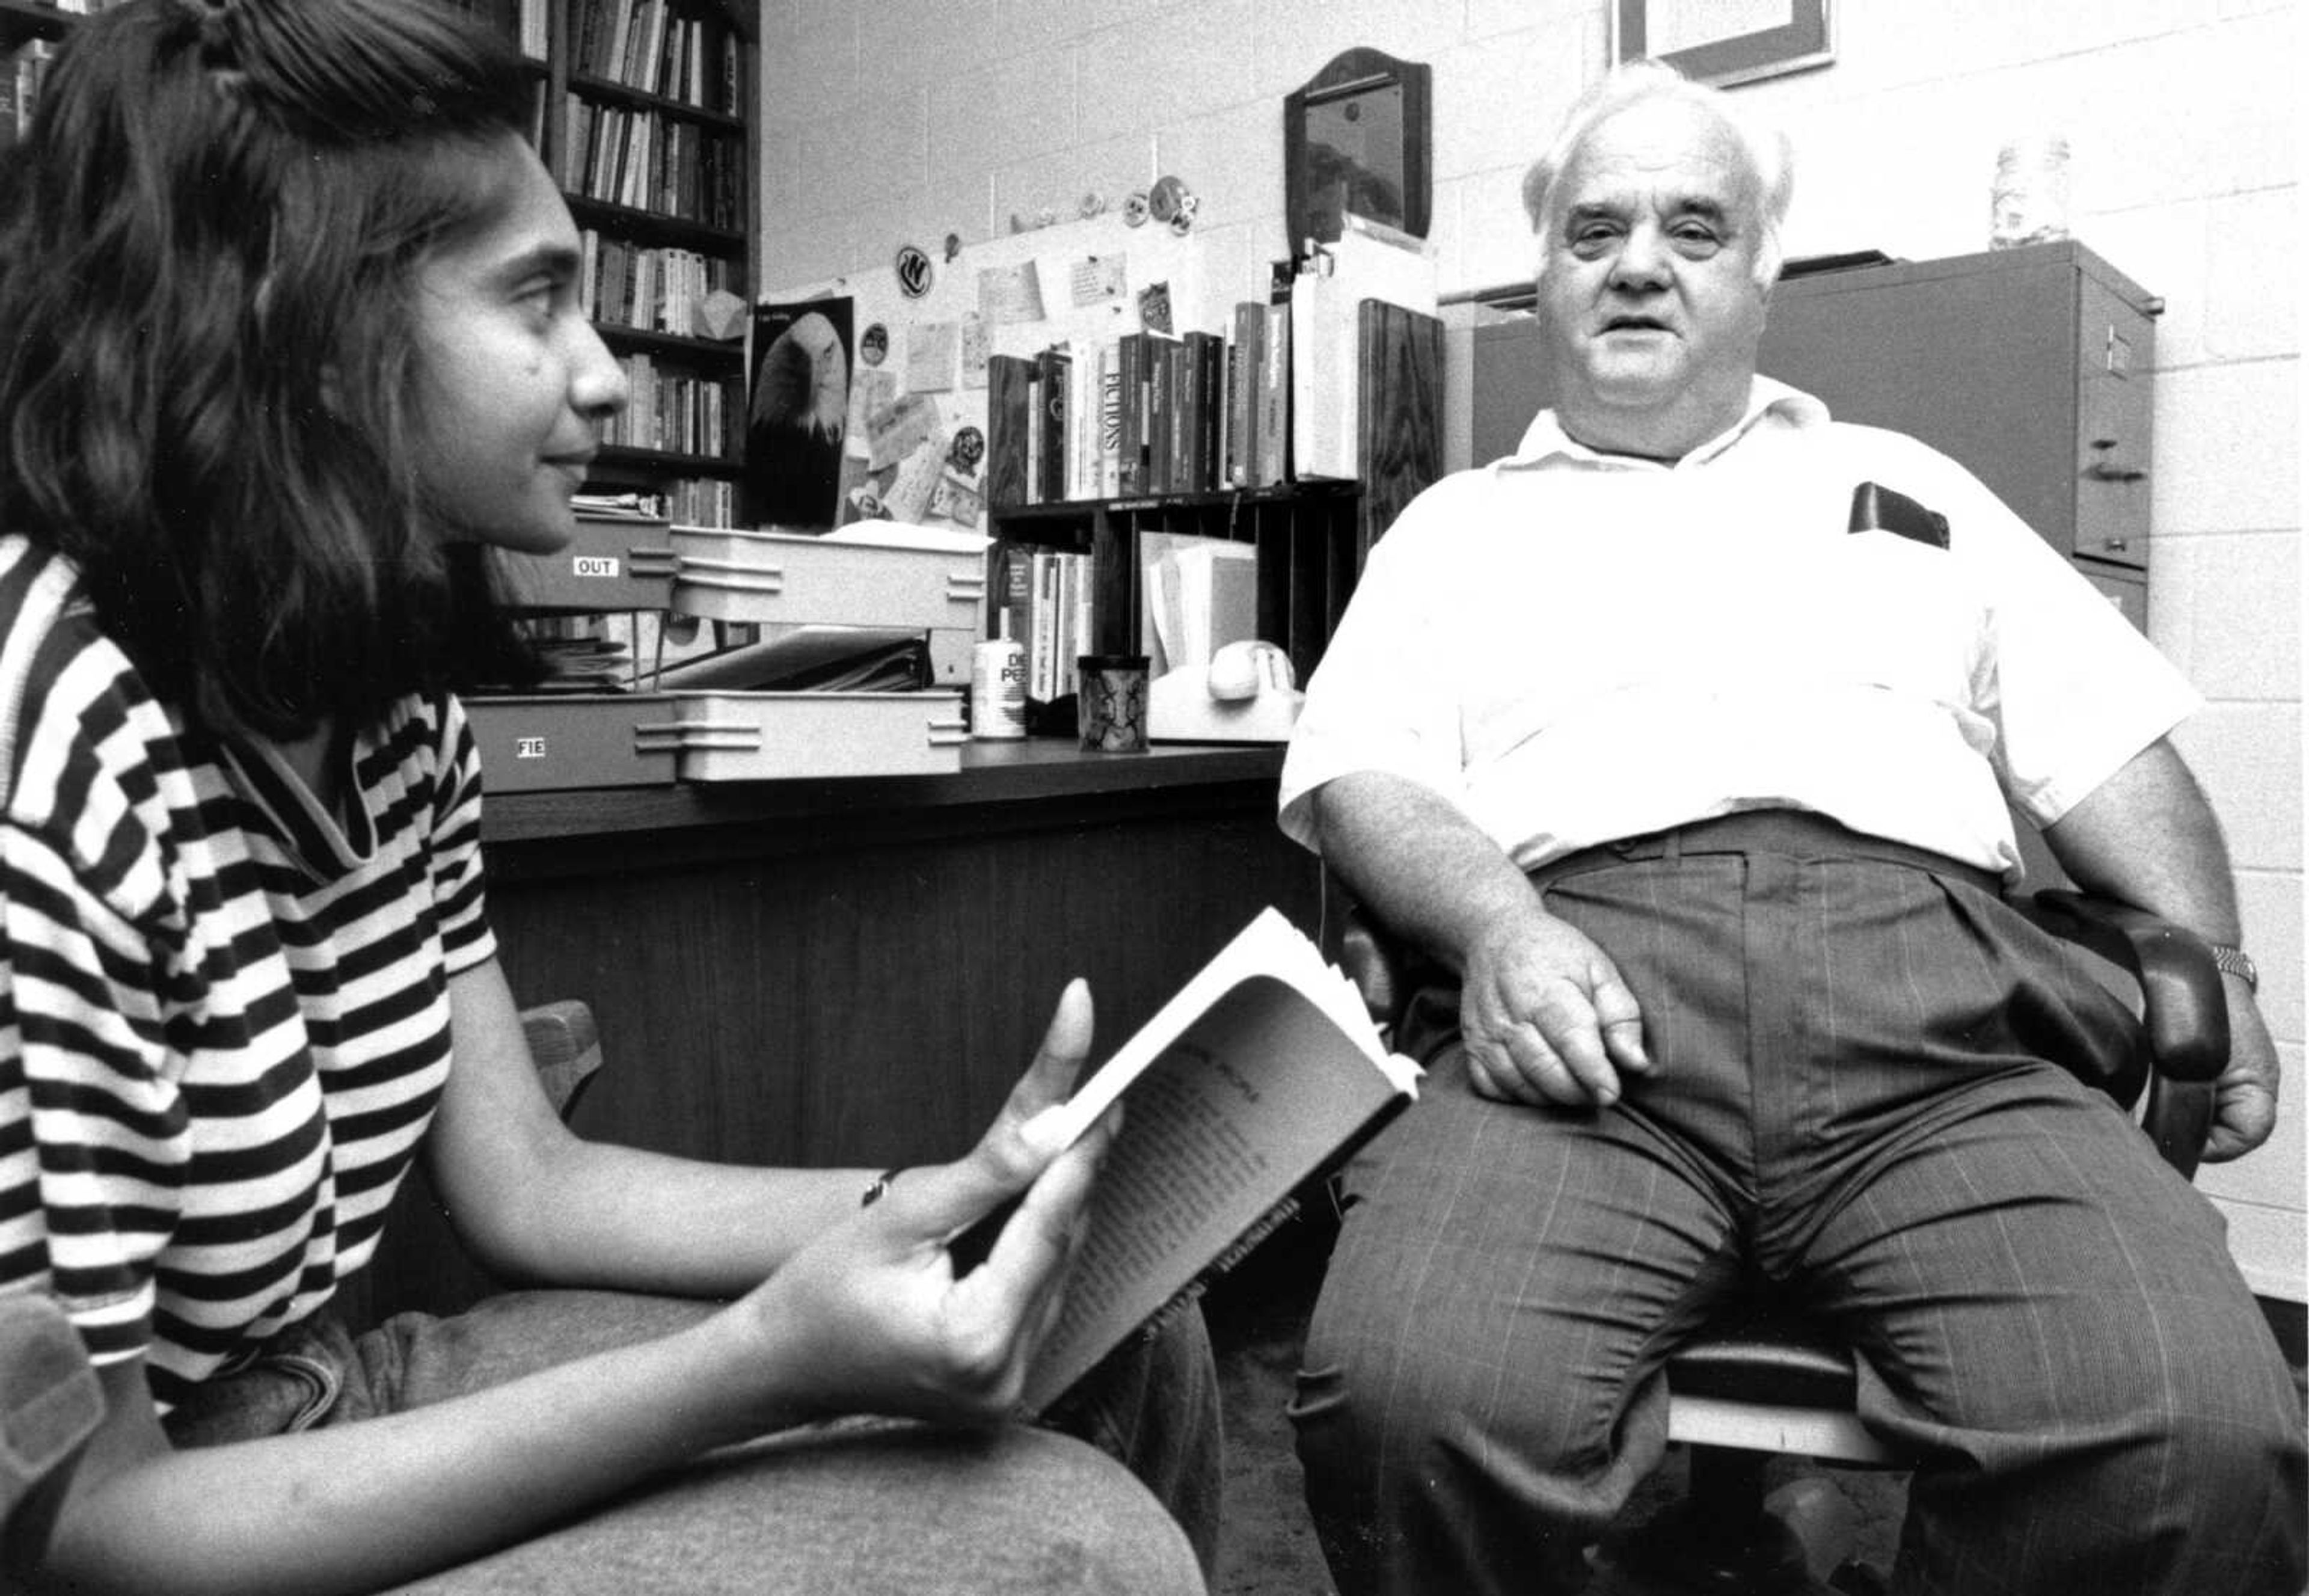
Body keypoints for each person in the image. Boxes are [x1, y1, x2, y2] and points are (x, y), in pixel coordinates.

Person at [0, 2, 1218, 1592]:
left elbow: (529, 1179)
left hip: (326, 1389)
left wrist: (939, 1202)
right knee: (1085, 1546)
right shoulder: (49, 760)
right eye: (536, 300)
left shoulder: (393, 701)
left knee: (1134, 1323)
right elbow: (77, 1528)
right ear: (297, 320)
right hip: (162, 1513)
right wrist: (767, 1359)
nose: (609, 381)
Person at [1277, 58, 2305, 1596]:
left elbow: (2110, 753)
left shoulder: (1906, 484)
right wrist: (1497, 928)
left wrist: (2219, 967)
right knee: (1412, 1404)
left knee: (2195, 1437)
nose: (1639, 262)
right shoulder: (1454, 529)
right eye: (1595, 228)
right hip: (1588, 1029)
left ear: (1765, 268)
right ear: (1544, 272)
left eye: (1695, 227)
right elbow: (1363, 774)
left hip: (1944, 1043)